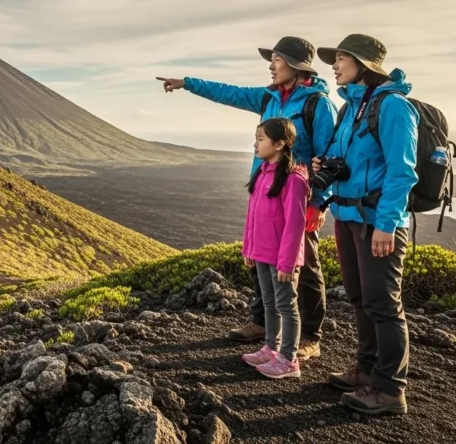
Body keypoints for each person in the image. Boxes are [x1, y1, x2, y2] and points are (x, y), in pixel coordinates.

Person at [156, 36, 337, 361]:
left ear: (295, 66)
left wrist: (319, 201)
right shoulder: (268, 98)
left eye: (277, 60)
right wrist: (187, 83)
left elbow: (329, 154)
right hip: (265, 191)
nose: (271, 65)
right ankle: (262, 323)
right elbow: (230, 93)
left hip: (297, 197)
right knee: (262, 257)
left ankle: (310, 336)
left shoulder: (318, 104)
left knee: (305, 265)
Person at [312, 34, 418, 415]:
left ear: (364, 64)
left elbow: (402, 173)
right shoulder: (351, 109)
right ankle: (367, 369)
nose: (335, 66)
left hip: (378, 222)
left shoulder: (393, 108)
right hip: (348, 217)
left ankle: (390, 390)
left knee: (383, 303)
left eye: (341, 59)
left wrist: (387, 225)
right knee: (360, 297)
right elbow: (346, 161)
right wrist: (325, 168)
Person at [239, 118, 310, 379]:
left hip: (282, 259)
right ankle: (271, 347)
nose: (255, 144)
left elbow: (295, 225)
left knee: (286, 306)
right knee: (268, 302)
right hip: (262, 253)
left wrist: (288, 264)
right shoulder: (263, 172)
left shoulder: (293, 179)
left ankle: (289, 360)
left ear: (279, 144)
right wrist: (249, 249)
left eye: (260, 139)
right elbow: (252, 216)